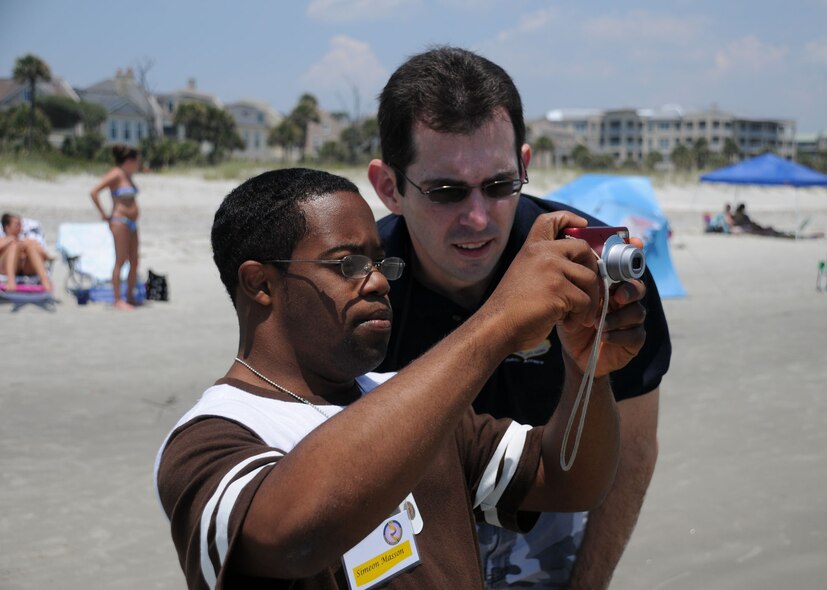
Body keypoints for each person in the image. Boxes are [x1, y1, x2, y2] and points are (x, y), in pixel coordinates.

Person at [153, 168, 647, 588]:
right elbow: (290, 535)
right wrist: (497, 322)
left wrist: (588, 373)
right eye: (347, 264)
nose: (377, 280)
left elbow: (568, 481)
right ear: (261, 284)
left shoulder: (409, 401)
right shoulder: (209, 438)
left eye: (378, 261)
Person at [367, 46, 672, 589]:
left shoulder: (602, 271)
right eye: (446, 191)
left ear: (525, 166)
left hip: (555, 518)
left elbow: (634, 451)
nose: (478, 217)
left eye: (500, 184)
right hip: (408, 518)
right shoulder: (358, 293)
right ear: (389, 187)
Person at [89, 144, 141, 310]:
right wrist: (104, 213)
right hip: (120, 221)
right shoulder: (116, 174)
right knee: (121, 260)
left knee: (134, 260)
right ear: (130, 160)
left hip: (133, 223)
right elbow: (94, 192)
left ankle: (130, 296)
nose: (138, 164)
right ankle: (117, 299)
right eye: (136, 161)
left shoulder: (128, 175)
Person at [0, 212, 53, 292]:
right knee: (13, 246)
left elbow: (46, 257)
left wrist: (30, 245)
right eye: (17, 225)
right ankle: (11, 281)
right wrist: (10, 240)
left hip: (26, 269)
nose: (20, 228)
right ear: (7, 227)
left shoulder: (26, 240)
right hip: (5, 269)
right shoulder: (2, 240)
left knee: (31, 246)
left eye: (21, 225)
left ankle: (44, 280)